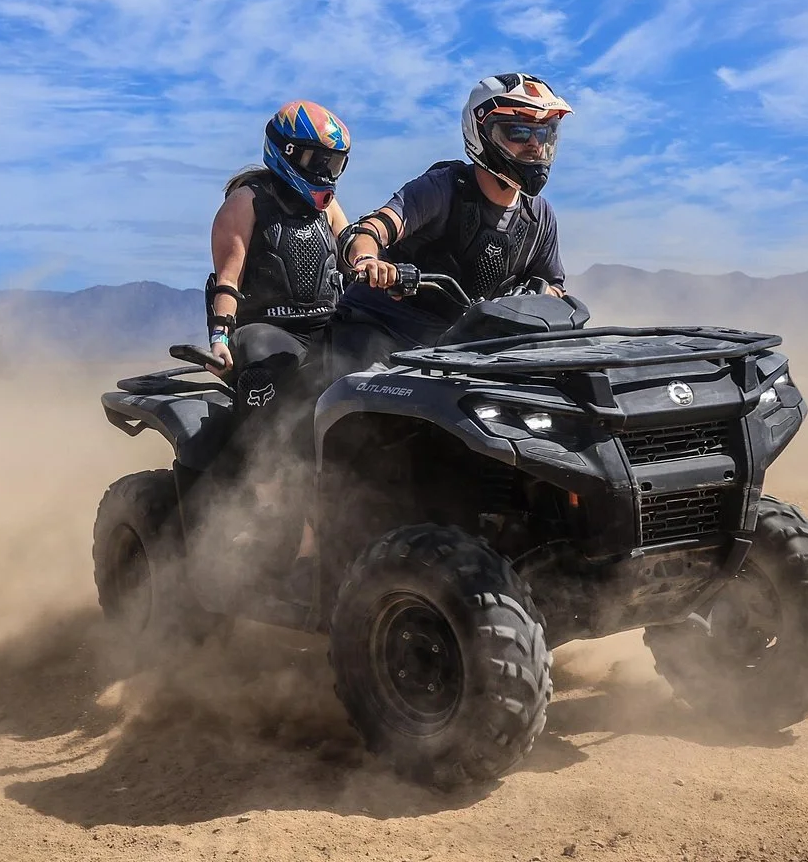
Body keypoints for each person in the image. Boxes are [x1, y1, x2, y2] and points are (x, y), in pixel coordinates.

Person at [328, 73, 573, 376]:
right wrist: (368, 261)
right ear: (481, 133)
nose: (535, 146)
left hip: (460, 348)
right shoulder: (443, 188)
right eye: (520, 132)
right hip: (386, 330)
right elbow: (371, 230)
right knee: (366, 397)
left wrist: (541, 297)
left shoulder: (540, 215)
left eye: (544, 134)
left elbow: (554, 288)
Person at [203, 99, 352, 595]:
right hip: (264, 327)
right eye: (319, 162)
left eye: (335, 164)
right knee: (275, 374)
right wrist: (221, 335)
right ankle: (261, 495)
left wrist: (384, 270)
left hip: (326, 325)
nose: (328, 174)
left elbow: (354, 252)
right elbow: (229, 274)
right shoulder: (247, 201)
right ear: (288, 152)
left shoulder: (327, 208)